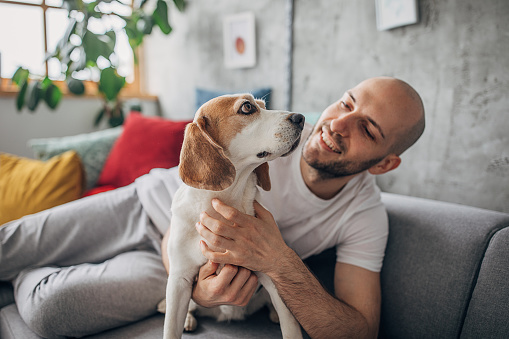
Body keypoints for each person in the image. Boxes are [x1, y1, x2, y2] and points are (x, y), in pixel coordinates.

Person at [0, 76, 424, 338]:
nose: (337, 125)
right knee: (13, 241)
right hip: (148, 204)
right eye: (347, 102)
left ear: (386, 162)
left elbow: (359, 331)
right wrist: (197, 286)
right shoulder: (283, 128)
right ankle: (35, 258)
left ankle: (28, 273)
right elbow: (183, 221)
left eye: (366, 128)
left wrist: (272, 264)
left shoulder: (364, 215)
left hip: (173, 268)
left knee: (52, 308)